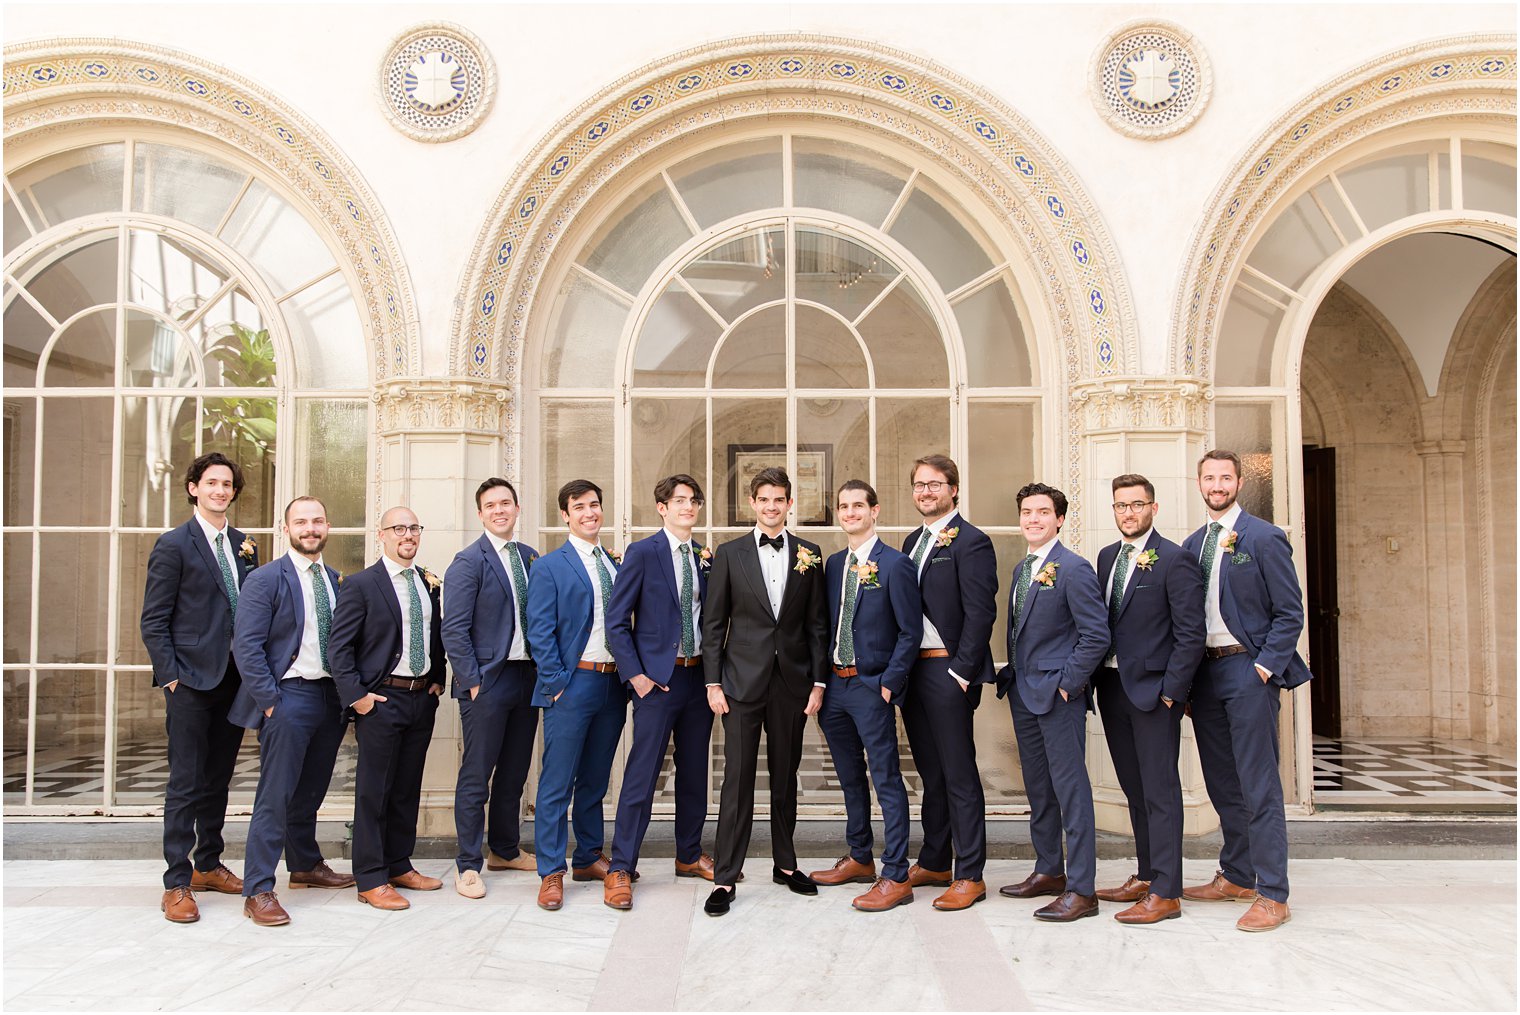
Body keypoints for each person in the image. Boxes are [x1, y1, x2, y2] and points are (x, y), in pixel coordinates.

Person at [1180, 450, 1312, 933]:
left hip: (1246, 669)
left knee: (1259, 783)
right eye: (1209, 477)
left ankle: (1273, 893)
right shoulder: (1192, 545)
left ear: (1238, 482)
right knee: (1221, 780)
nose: (1216, 484)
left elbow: (1289, 613)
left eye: (1225, 477)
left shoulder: (1263, 536)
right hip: (1207, 675)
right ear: (1199, 484)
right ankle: (1237, 873)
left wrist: (1262, 668)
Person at [700, 467, 830, 917]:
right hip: (739, 683)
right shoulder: (729, 553)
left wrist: (817, 682)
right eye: (764, 499)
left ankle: (786, 864)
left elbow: (817, 625)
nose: (772, 507)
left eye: (780, 500)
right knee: (736, 780)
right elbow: (714, 624)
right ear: (752, 504)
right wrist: (713, 682)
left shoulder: (810, 553)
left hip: (792, 683)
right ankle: (725, 877)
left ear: (790, 504)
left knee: (785, 775)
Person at [140, 451, 256, 924]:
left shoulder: (245, 544)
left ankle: (208, 863)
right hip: (189, 681)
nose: (220, 491)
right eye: (211, 483)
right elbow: (154, 620)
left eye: (227, 484)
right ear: (193, 488)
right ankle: (177, 880)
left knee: (218, 779)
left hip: (234, 682)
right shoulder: (173, 545)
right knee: (185, 782)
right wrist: (170, 675)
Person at [229, 495, 354, 926]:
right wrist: (269, 702)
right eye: (301, 522)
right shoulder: (265, 579)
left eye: (317, 521)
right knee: (276, 795)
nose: (310, 528)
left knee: (312, 790)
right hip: (288, 697)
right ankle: (258, 888)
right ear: (287, 529)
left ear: (327, 526)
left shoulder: (337, 580)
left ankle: (303, 865)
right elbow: (246, 646)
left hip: (330, 698)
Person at [1091, 474, 1205, 925]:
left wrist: (1172, 694)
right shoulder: (1106, 558)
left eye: (1137, 505)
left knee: (1161, 791)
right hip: (1113, 689)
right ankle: (1145, 873)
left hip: (1155, 694)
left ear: (1153, 509)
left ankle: (1167, 891)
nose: (1128, 513)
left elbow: (1190, 634)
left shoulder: (1174, 560)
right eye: (1120, 505)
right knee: (1134, 788)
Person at [603, 475, 719, 910]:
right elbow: (617, 620)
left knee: (694, 773)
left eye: (694, 500)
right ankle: (621, 865)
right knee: (642, 775)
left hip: (696, 679)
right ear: (662, 507)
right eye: (679, 500)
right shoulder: (643, 552)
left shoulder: (704, 556)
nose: (688, 506)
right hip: (657, 683)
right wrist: (637, 677)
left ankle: (688, 854)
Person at [996, 482, 1109, 922]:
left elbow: (1096, 634)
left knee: (1071, 790)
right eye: (1027, 512)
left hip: (1059, 697)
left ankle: (1083, 889)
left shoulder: (1074, 568)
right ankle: (1048, 871)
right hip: (1025, 694)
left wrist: (1068, 684)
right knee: (1039, 790)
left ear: (1059, 519)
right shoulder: (1024, 569)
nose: (1033, 519)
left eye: (1043, 512)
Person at [328, 506, 447, 911]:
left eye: (414, 527)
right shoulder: (361, 584)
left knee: (406, 788)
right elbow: (339, 648)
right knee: (374, 791)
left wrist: (437, 679)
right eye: (399, 528)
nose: (408, 535)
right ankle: (371, 877)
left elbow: (435, 636)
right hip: (380, 700)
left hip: (420, 698)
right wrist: (357, 696)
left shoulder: (428, 583)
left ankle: (399, 864)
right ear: (382, 535)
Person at [811, 480, 922, 912]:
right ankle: (859, 856)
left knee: (886, 778)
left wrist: (889, 682)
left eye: (859, 505)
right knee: (849, 777)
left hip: (872, 686)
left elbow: (910, 631)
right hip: (835, 686)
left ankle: (895, 873)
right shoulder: (834, 564)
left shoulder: (895, 564)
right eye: (844, 506)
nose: (851, 512)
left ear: (874, 511)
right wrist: (820, 681)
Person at [898, 454, 998, 911]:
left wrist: (962, 671)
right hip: (912, 671)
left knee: (958, 773)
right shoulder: (911, 541)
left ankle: (970, 873)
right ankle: (935, 859)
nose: (925, 492)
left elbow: (981, 612)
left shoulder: (971, 542)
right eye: (919, 485)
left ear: (953, 489)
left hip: (946, 670)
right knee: (930, 772)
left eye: (934, 485)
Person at [524, 480, 628, 911]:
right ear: (565, 515)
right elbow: (539, 631)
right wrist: (558, 681)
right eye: (579, 507)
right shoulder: (550, 566)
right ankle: (551, 870)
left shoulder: (616, 562)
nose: (589, 513)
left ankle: (588, 856)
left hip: (612, 684)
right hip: (573, 683)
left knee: (595, 779)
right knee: (556, 781)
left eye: (594, 505)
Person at [443, 478, 541, 900]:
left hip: (527, 677)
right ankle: (468, 864)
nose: (499, 510)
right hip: (489, 681)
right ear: (480, 514)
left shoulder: (530, 556)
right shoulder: (468, 562)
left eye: (506, 503)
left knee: (515, 771)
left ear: (517, 509)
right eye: (490, 505)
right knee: (476, 775)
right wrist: (473, 681)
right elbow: (454, 629)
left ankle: (504, 848)